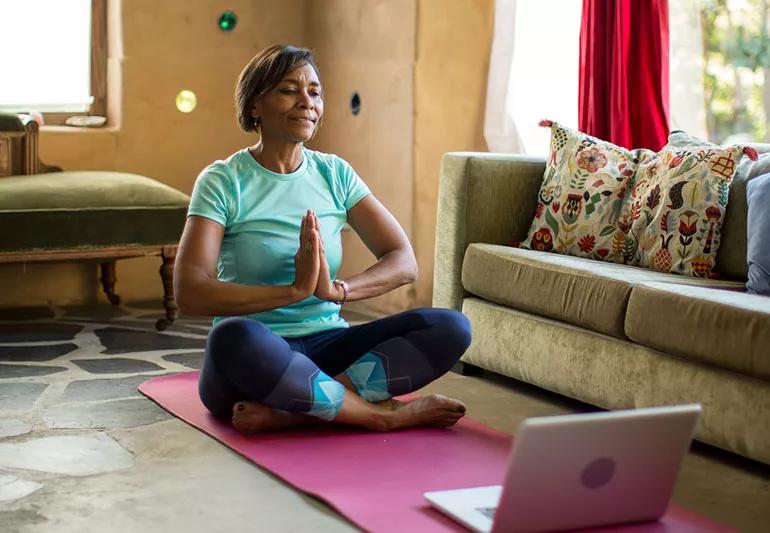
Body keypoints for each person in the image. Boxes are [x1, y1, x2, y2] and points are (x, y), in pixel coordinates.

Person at [174, 44, 472, 434]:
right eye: (288, 90)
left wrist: (336, 291)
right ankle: (378, 415)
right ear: (254, 106)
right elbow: (190, 290)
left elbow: (402, 260)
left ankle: (295, 412)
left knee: (451, 326)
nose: (306, 102)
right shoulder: (223, 180)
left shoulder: (335, 173)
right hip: (258, 356)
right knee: (233, 334)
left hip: (329, 346)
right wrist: (293, 292)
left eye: (314, 92)